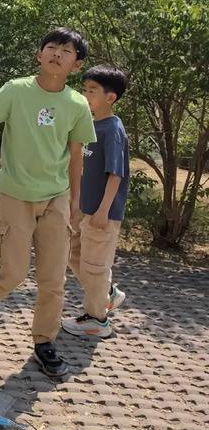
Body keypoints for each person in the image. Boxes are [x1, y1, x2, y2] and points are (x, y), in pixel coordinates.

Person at [0, 28, 96, 379]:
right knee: (12, 271)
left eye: (66, 50)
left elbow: (75, 155)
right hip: (15, 195)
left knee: (53, 279)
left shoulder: (77, 104)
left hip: (55, 198)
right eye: (51, 47)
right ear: (39, 55)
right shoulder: (16, 90)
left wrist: (75, 200)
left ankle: (44, 342)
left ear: (76, 64)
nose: (57, 53)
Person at [62, 65, 130, 339]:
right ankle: (108, 293)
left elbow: (116, 174)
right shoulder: (90, 125)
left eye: (92, 91)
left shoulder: (112, 128)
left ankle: (97, 320)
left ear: (110, 98)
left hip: (103, 214)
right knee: (72, 256)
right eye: (85, 89)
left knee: (94, 266)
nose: (85, 95)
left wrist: (103, 211)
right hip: (85, 209)